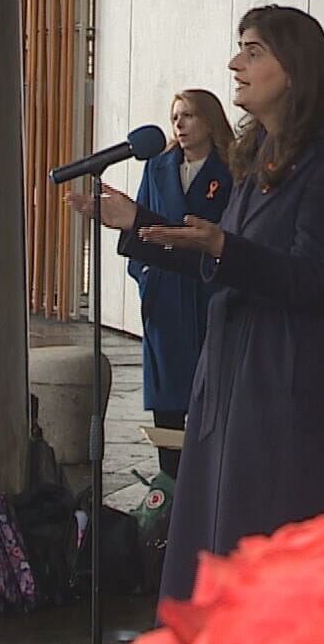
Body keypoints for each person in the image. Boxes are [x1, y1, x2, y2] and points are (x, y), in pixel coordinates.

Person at [90, 6, 324, 602]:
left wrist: (224, 246)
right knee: (219, 542)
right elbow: (220, 260)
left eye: (252, 51)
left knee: (272, 548)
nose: (234, 64)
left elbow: (316, 276)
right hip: (234, 374)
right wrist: (140, 222)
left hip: (292, 378)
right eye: (238, 49)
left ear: (294, 68)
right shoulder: (264, 151)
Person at [69, 89, 234, 480]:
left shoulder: (230, 171)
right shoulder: (158, 168)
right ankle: (171, 492)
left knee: (216, 404)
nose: (179, 124)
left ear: (210, 122)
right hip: (166, 298)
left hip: (209, 294)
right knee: (170, 403)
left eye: (189, 115)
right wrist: (144, 277)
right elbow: (139, 226)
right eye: (175, 116)